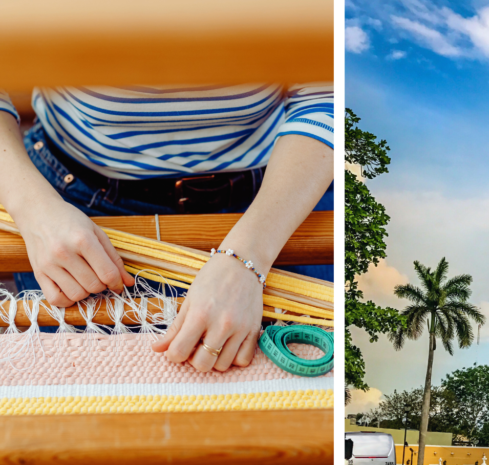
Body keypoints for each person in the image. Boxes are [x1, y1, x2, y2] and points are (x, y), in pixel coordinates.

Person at [0, 83, 333, 372]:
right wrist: (34, 208)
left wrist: (247, 259)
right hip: (66, 200)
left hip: (284, 191)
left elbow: (327, 97)